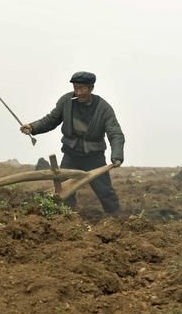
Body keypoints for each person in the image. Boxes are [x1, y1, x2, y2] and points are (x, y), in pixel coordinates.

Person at [20, 71, 124, 213]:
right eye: (76, 88)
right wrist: (33, 127)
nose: (78, 92)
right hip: (71, 154)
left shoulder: (104, 108)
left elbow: (115, 132)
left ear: (91, 88)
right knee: (63, 189)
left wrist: (117, 155)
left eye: (82, 89)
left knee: (104, 191)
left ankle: (116, 219)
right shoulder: (66, 102)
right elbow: (51, 120)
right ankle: (68, 217)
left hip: (94, 157)